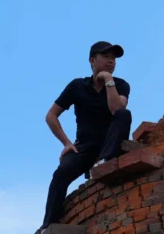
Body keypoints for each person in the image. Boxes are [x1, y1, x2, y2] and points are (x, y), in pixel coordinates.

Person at [39, 41, 132, 232]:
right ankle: (48, 225)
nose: (111, 62)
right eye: (106, 57)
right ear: (92, 60)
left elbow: (116, 109)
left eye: (113, 58)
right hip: (85, 145)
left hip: (111, 144)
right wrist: (65, 142)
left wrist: (108, 81)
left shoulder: (120, 85)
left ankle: (104, 160)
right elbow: (51, 116)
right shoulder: (77, 86)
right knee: (61, 173)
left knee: (124, 114)